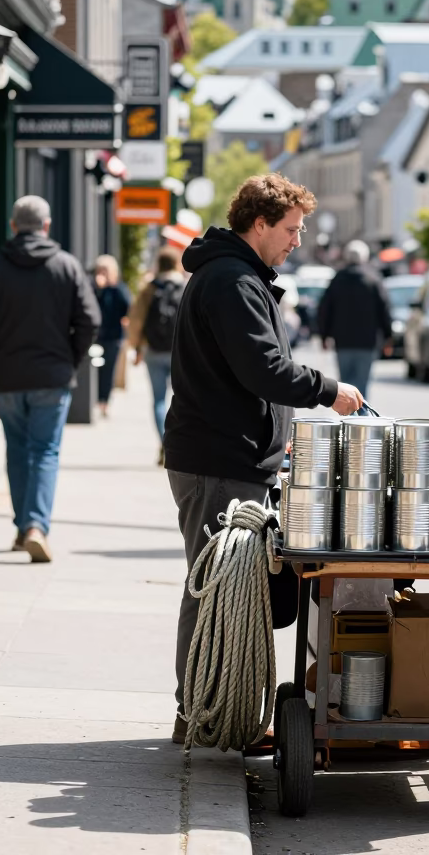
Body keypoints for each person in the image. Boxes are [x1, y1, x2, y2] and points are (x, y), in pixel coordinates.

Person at [163, 174, 364, 743]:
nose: (298, 240)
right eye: (291, 229)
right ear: (259, 224)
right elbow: (263, 370)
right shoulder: (233, 281)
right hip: (217, 459)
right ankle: (199, 714)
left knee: (226, 588)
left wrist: (281, 437)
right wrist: (330, 391)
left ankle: (202, 712)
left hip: (229, 454)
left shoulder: (238, 276)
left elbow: (247, 376)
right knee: (215, 588)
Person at [0, 195, 99, 563]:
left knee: (18, 451)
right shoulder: (66, 266)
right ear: (46, 226)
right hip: (52, 376)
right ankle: (35, 527)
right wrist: (70, 360)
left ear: (14, 226)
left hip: (9, 377)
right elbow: (89, 321)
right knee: (45, 451)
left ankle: (23, 526)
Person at [127, 247, 185, 462]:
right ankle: (176, 442)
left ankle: (164, 442)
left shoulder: (149, 289)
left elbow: (136, 320)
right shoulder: (186, 287)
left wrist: (137, 347)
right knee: (179, 398)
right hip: (178, 353)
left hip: (153, 350)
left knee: (158, 400)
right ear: (177, 264)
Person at [317, 240, 392, 399]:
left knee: (346, 385)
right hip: (367, 341)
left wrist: (324, 336)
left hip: (343, 341)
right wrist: (388, 336)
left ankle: (349, 418)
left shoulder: (337, 279)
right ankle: (361, 419)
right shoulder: (373, 279)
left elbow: (324, 310)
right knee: (362, 384)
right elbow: (384, 310)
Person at [92, 255, 131, 418]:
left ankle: (104, 402)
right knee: (95, 370)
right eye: (100, 270)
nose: (102, 274)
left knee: (108, 370)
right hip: (95, 336)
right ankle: (94, 399)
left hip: (113, 336)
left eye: (105, 271)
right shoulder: (93, 288)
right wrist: (98, 288)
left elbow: (127, 306)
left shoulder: (119, 288)